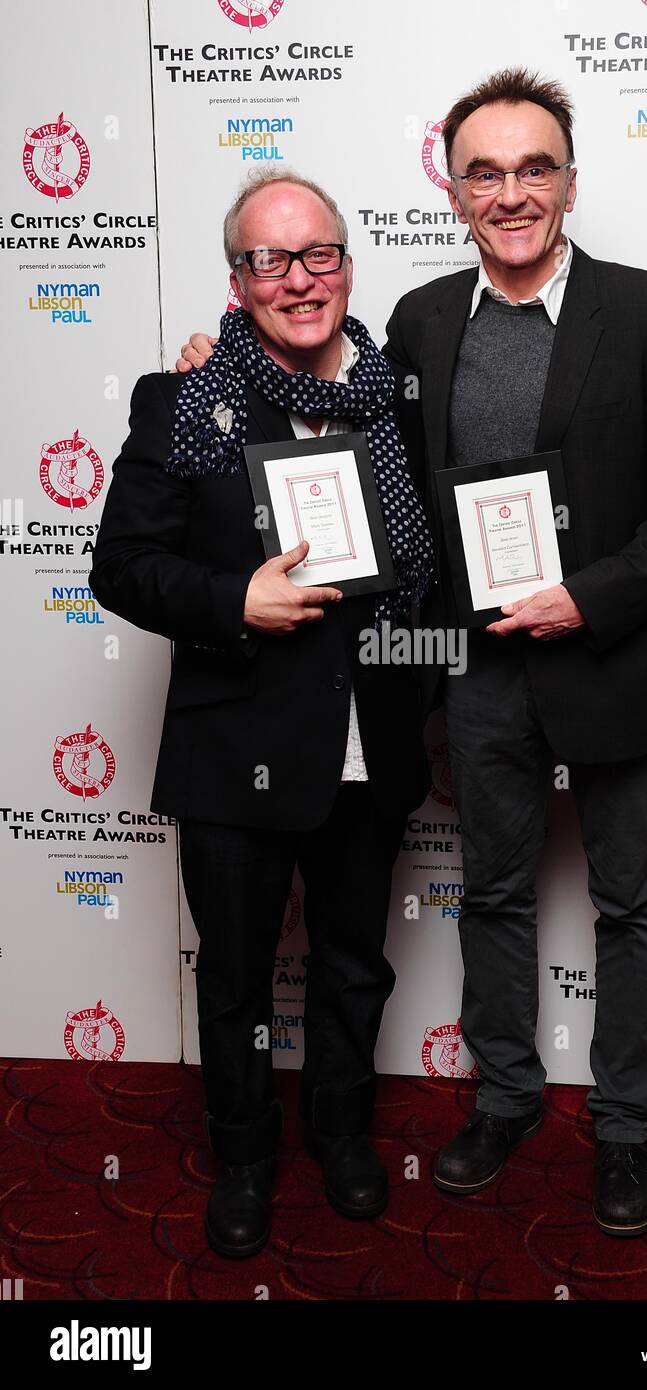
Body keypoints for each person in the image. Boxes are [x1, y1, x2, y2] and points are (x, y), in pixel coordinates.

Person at [178, 68, 647, 1239]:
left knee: (628, 906)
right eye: (485, 172)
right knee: (492, 894)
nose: (512, 191)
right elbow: (300, 388)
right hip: (475, 674)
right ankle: (504, 1097)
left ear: (570, 182)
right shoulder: (419, 324)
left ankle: (626, 1126)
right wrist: (208, 368)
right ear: (454, 191)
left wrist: (588, 599)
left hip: (608, 658)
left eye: (535, 167)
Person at [89, 169, 433, 1259]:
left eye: (317, 253)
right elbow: (121, 567)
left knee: (352, 962)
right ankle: (242, 1155)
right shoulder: (184, 398)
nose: (299, 278)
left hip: (369, 741)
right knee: (236, 972)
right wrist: (233, 599)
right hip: (235, 741)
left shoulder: (396, 396)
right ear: (237, 281)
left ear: (346, 261)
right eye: (270, 259)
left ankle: (340, 1134)